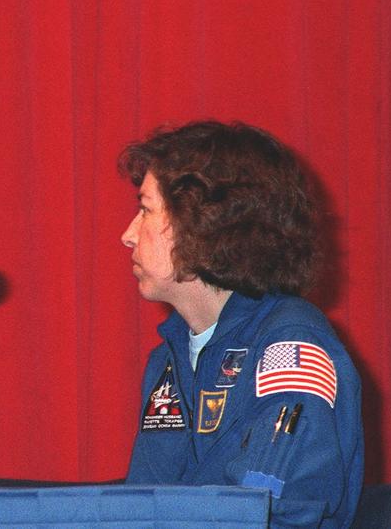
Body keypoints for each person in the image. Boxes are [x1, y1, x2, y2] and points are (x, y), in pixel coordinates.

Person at [119, 121, 362, 527]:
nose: (128, 235)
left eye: (145, 210)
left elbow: (272, 512)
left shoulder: (291, 347)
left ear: (203, 222)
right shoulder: (169, 357)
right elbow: (141, 508)